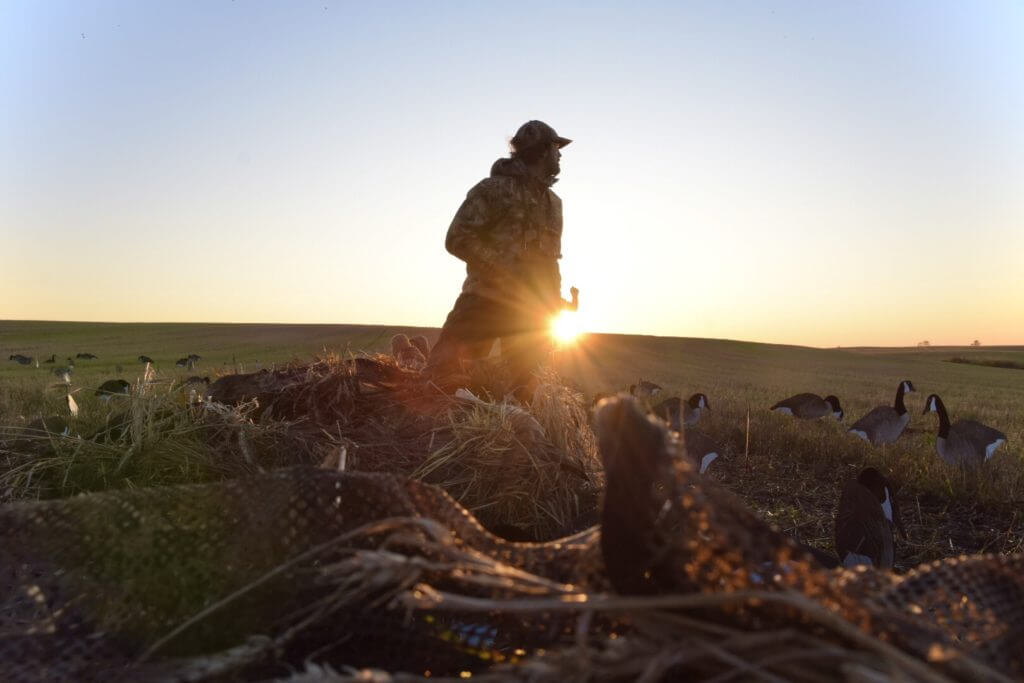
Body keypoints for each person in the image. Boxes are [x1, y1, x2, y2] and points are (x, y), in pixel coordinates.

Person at [425, 120, 577, 400]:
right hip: (482, 302)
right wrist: (505, 270)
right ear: (542, 151)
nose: (560, 154)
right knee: (438, 384)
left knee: (524, 396)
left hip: (528, 317)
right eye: (556, 147)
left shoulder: (554, 204)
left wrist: (553, 303)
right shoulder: (493, 190)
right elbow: (457, 237)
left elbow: (550, 260)